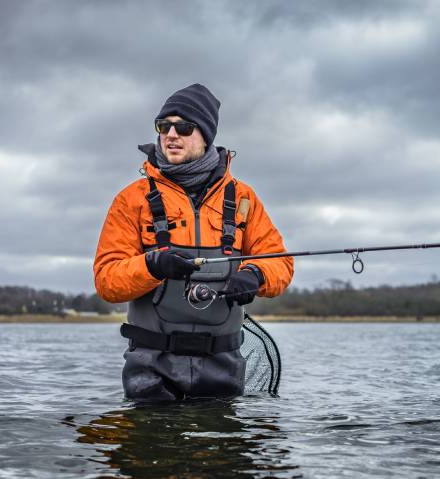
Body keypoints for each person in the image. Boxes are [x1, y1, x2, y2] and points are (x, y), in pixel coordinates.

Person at [94, 84, 293, 401]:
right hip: (150, 372)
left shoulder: (243, 198)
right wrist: (152, 265)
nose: (171, 134)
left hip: (223, 367)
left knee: (224, 448)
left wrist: (255, 274)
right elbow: (107, 281)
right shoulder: (131, 199)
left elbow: (281, 263)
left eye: (183, 127)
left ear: (206, 136)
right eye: (164, 126)